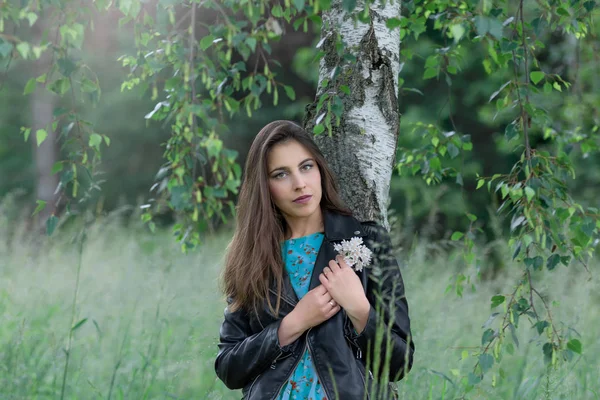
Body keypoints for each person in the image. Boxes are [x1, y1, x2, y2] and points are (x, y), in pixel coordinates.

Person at [214, 120, 414, 400]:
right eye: (281, 174)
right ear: (264, 186)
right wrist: (293, 323)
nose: (299, 184)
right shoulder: (252, 257)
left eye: (306, 167)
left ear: (320, 169)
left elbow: (399, 364)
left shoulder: (367, 241)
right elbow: (228, 368)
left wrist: (359, 308)